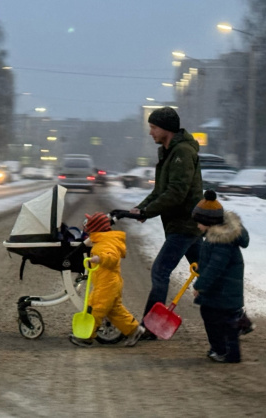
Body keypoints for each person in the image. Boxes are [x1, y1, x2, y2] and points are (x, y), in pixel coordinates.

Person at [129, 106, 204, 340]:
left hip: (185, 224)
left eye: (153, 127)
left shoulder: (181, 152)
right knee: (207, 271)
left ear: (166, 129)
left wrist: (148, 212)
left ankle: (150, 326)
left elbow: (176, 193)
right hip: (185, 224)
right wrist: (141, 209)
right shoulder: (169, 151)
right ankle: (237, 318)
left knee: (160, 271)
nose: (150, 132)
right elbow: (160, 190)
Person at [69, 212, 145, 348]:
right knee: (114, 310)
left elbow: (112, 257)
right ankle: (134, 329)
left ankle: (86, 337)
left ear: (95, 228)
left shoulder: (105, 243)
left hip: (107, 284)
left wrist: (100, 258)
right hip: (109, 282)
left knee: (95, 309)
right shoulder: (105, 239)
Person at [190, 190, 249, 363]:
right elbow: (210, 265)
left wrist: (199, 285)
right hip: (221, 292)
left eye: (199, 222)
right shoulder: (215, 238)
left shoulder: (221, 242)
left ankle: (225, 351)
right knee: (219, 319)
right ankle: (224, 347)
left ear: (208, 221)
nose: (197, 226)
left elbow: (214, 269)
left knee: (218, 320)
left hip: (223, 293)